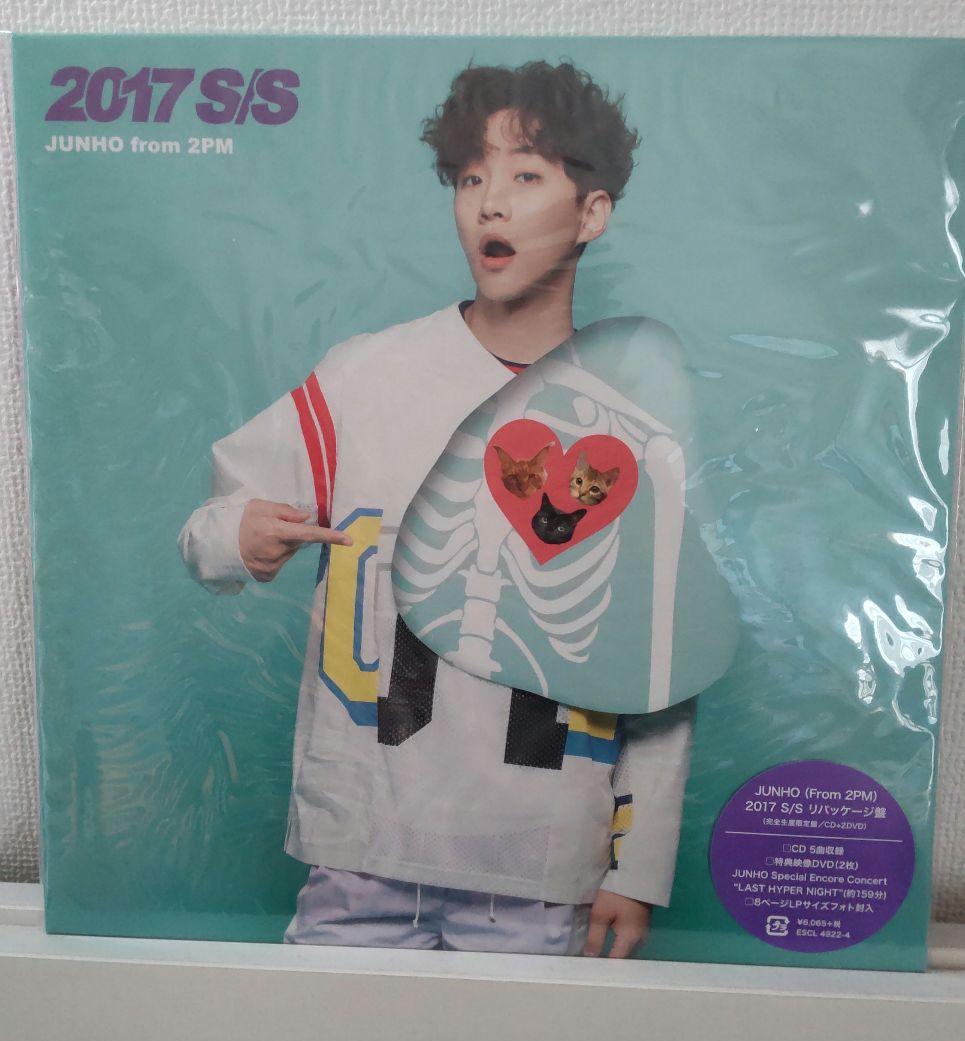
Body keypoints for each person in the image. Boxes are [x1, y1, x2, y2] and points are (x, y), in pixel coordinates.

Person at [179, 60, 693, 957]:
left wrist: (635, 863)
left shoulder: (636, 431)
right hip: (362, 843)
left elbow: (663, 672)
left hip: (539, 861)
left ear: (591, 213)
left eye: (525, 176)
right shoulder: (364, 377)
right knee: (322, 1030)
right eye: (469, 178)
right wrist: (239, 532)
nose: (490, 204)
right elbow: (210, 528)